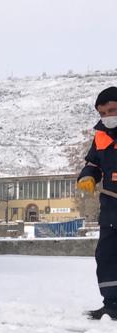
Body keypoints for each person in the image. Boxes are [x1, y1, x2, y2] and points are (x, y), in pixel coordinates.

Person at [77, 86, 117, 320]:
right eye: (103, 113)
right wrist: (87, 175)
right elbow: (93, 163)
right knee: (107, 256)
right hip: (111, 207)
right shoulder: (101, 135)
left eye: (112, 110)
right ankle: (112, 304)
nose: (108, 117)